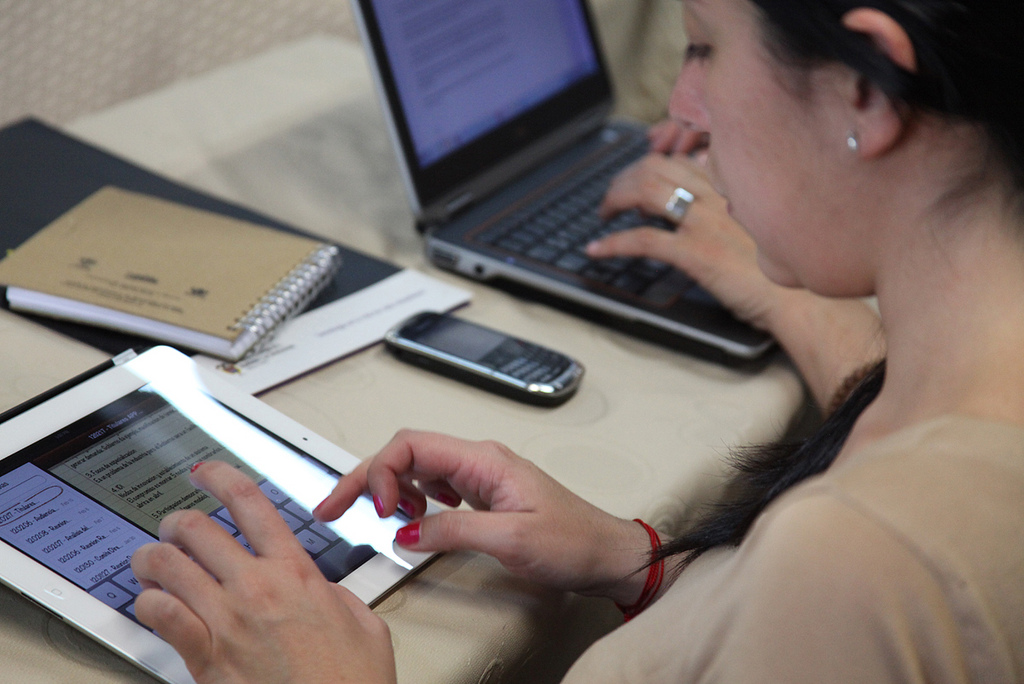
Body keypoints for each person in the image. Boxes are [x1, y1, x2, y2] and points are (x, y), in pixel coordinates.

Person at [129, 0, 1024, 681]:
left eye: (707, 46)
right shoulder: (950, 383)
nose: (683, 104)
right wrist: (639, 564)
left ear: (863, 84)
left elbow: (855, 597)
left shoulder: (868, 555)